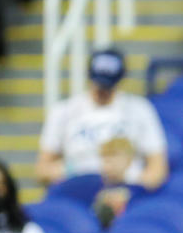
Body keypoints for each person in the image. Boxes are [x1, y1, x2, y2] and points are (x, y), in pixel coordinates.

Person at [36, 48, 168, 221]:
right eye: (99, 83)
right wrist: (74, 169)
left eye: (109, 85)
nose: (103, 90)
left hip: (125, 192)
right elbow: (42, 170)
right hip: (77, 190)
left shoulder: (140, 109)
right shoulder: (64, 111)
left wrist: (129, 176)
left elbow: (158, 170)